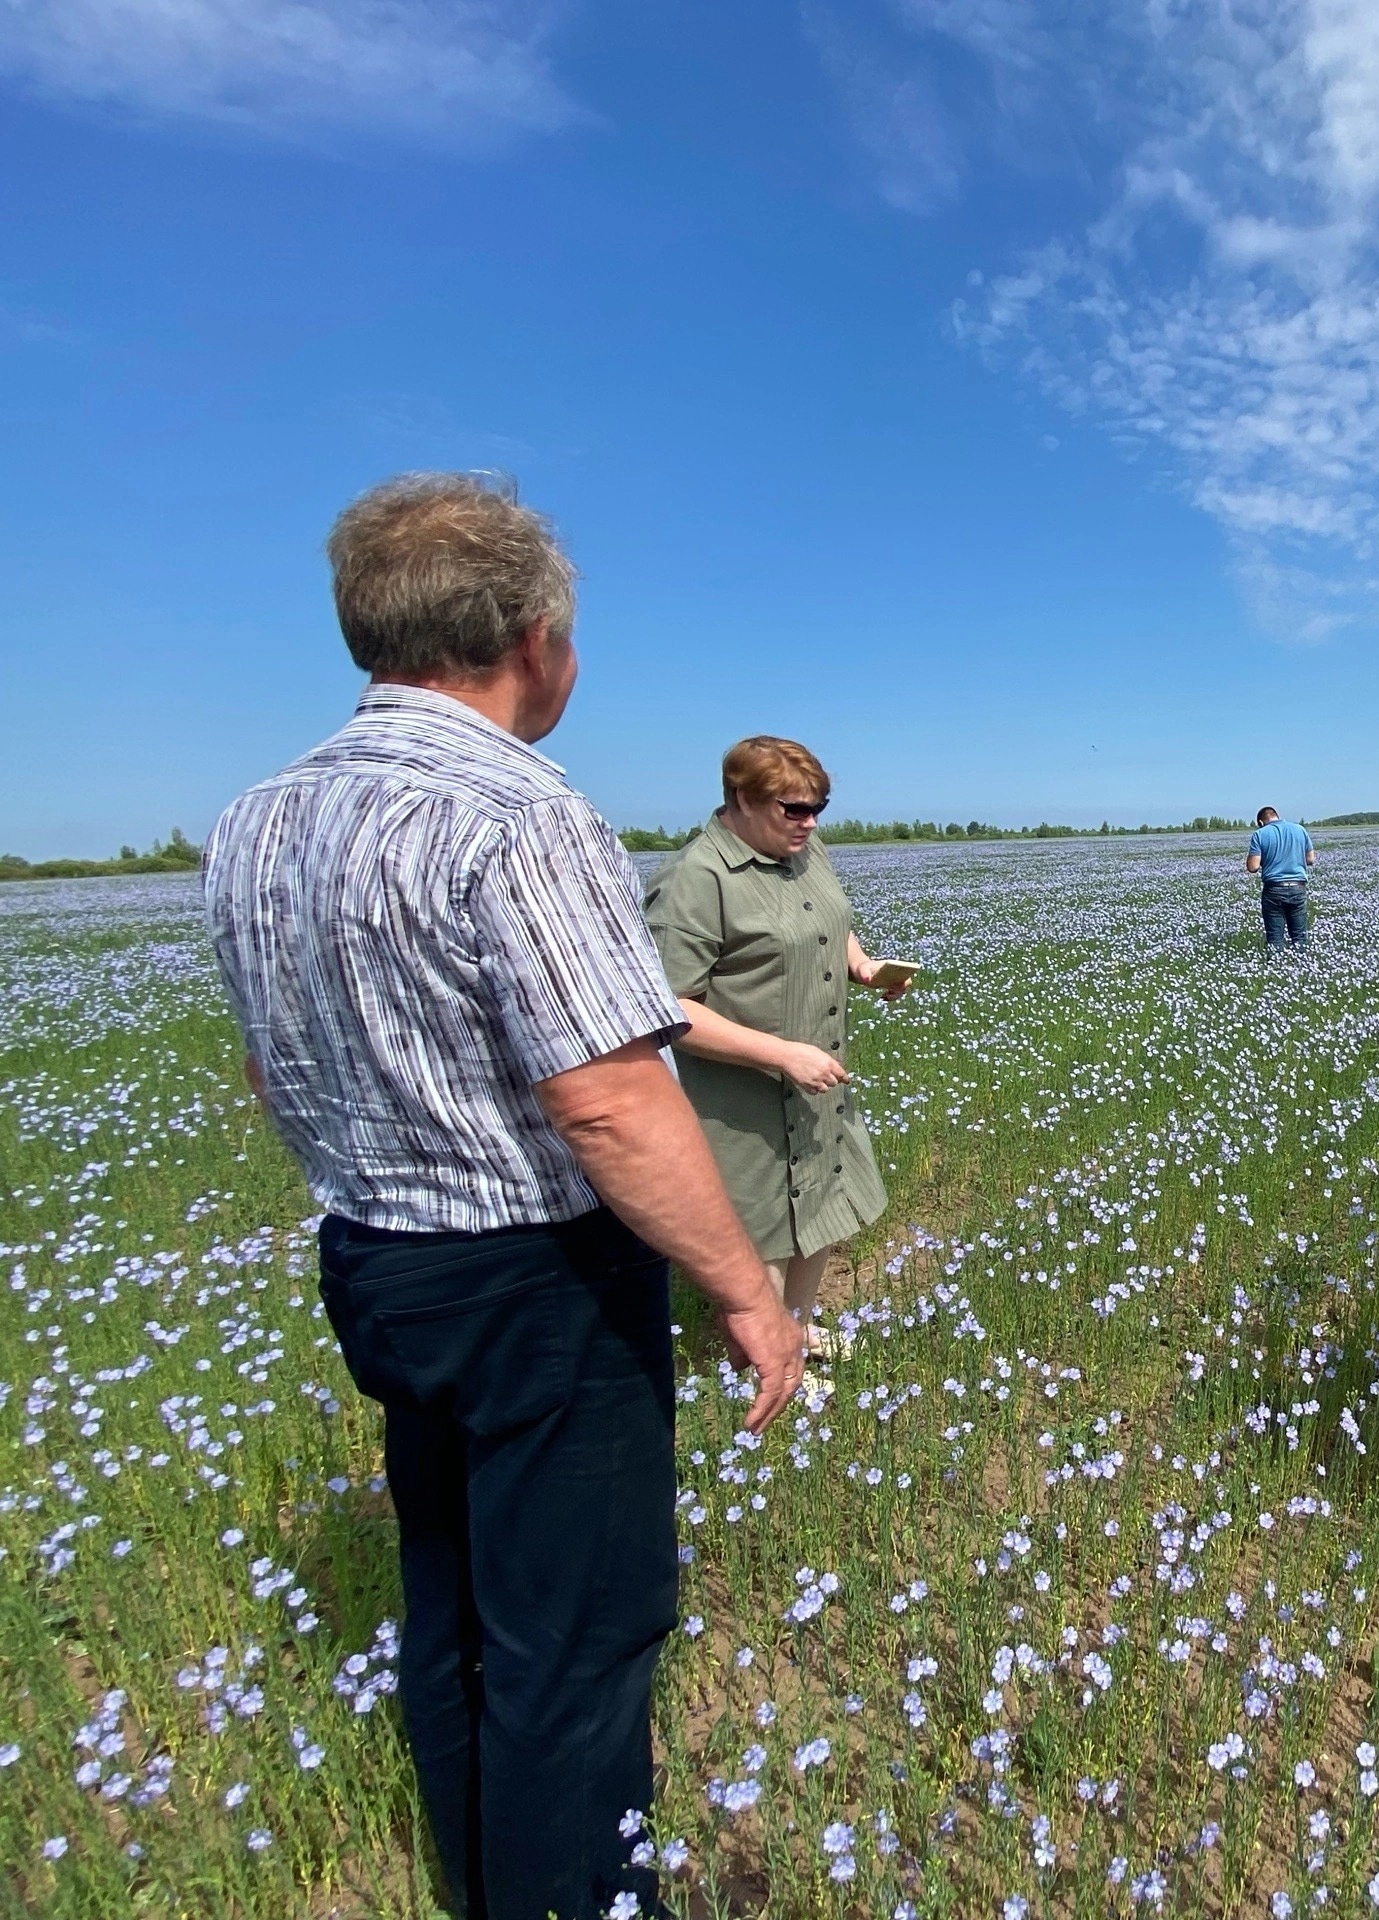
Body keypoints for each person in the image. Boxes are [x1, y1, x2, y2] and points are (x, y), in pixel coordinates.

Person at [203, 473, 803, 1920]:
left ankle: (488, 1884)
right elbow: (605, 1094)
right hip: (537, 1280)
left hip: (376, 1260)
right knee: (575, 1643)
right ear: (534, 639)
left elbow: (277, 1077)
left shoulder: (256, 817)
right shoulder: (521, 813)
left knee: (455, 1604)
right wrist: (744, 1290)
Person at [642, 738, 902, 1360]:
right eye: (794, 809)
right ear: (740, 799)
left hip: (816, 1078)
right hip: (745, 1096)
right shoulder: (694, 881)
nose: (810, 823)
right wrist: (779, 1054)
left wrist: (862, 965)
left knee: (821, 1214)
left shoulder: (805, 850)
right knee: (765, 1231)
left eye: (819, 807)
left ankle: (794, 1330)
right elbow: (667, 1008)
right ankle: (762, 1362)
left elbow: (828, 917)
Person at [1245, 805, 1315, 948]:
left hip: (1274, 890)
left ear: (1260, 823)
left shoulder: (1260, 834)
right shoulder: (1300, 829)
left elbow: (1253, 867)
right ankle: (1303, 967)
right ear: (1277, 816)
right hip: (1298, 887)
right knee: (1299, 938)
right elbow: (1310, 860)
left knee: (1275, 940)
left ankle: (1275, 966)